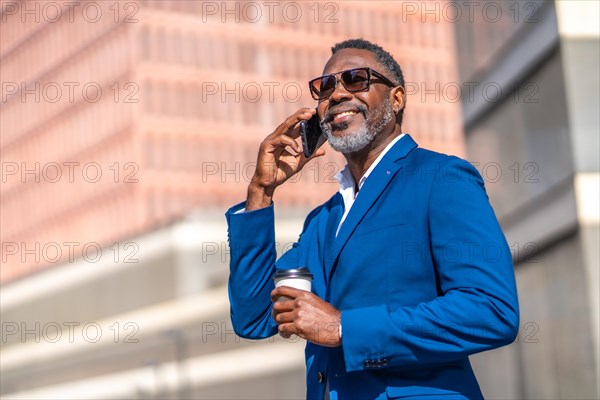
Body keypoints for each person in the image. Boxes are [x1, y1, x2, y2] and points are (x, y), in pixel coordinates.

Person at [225, 38, 519, 400]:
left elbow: (491, 310)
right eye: (326, 87)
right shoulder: (322, 220)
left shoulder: (441, 178)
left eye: (356, 79)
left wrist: (345, 328)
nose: (336, 95)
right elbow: (254, 316)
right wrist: (260, 191)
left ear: (396, 100)